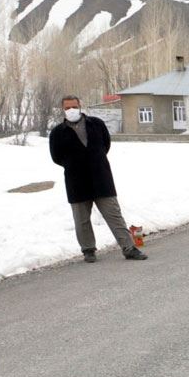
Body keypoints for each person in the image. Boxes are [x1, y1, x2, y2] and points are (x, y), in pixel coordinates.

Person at [48, 96, 148, 263]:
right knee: (82, 220)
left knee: (114, 215)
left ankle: (129, 248)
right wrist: (73, 165)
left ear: (80, 106)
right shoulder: (57, 133)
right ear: (62, 110)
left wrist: (96, 160)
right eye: (67, 108)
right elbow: (56, 156)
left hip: (101, 178)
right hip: (76, 181)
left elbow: (106, 145)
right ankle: (88, 250)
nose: (71, 110)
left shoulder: (96, 124)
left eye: (74, 106)